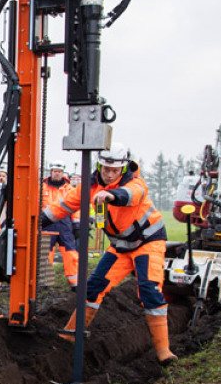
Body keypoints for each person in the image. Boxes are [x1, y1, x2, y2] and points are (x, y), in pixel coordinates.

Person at [41, 147, 177, 364]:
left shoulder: (136, 182)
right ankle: (68, 336)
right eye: (106, 169)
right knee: (93, 288)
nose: (110, 174)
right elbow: (63, 206)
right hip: (120, 247)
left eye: (115, 170)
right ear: (99, 166)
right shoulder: (89, 186)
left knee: (149, 291)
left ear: (123, 168)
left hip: (147, 243)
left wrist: (111, 194)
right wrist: (36, 221)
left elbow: (130, 195)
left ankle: (164, 352)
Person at [41, 161, 80, 289]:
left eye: (59, 171)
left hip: (65, 225)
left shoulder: (70, 189)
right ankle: (45, 282)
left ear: (63, 173)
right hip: (46, 224)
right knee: (45, 253)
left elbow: (76, 207)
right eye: (54, 171)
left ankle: (75, 282)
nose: (57, 173)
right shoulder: (41, 188)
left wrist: (77, 225)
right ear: (51, 172)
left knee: (70, 253)